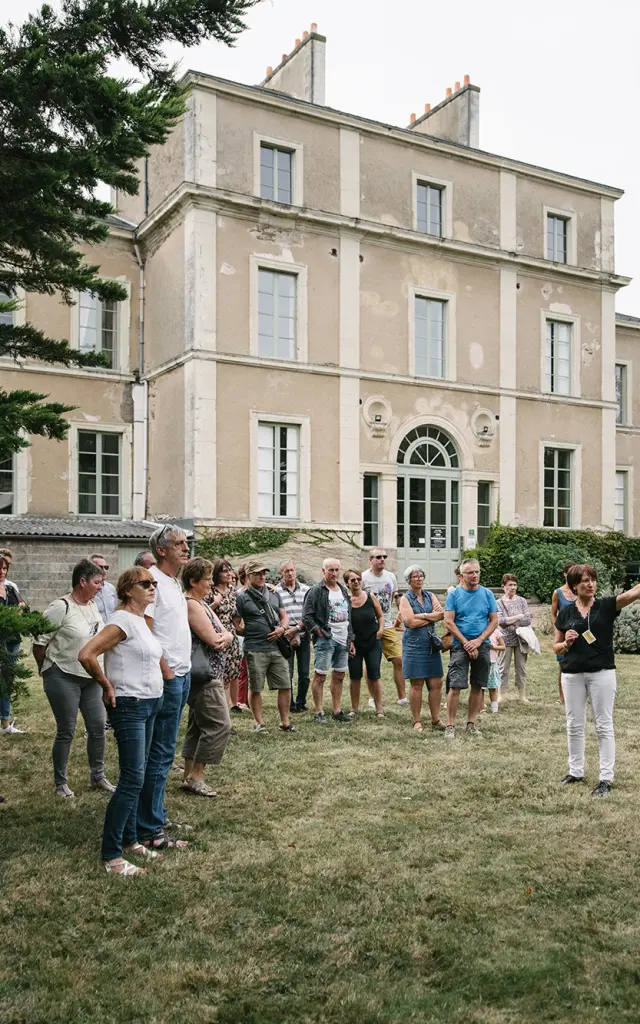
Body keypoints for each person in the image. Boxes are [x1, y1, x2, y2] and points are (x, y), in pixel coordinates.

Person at [78, 566, 164, 876]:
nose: (152, 587)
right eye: (145, 583)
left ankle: (130, 841)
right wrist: (106, 684)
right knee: (131, 780)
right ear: (128, 590)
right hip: (129, 705)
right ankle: (112, 855)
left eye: (154, 583)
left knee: (137, 777)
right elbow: (87, 654)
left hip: (150, 703)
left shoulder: (141, 620)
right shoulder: (122, 621)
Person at [553, 564, 640, 796]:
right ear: (574, 586)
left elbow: (633, 594)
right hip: (572, 674)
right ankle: (576, 771)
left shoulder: (606, 606)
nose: (590, 584)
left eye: (592, 580)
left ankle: (605, 778)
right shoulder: (566, 612)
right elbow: (556, 647)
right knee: (574, 724)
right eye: (584, 581)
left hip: (602, 673)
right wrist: (566, 644)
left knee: (603, 725)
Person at [32, 559, 114, 797]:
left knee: (98, 727)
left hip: (90, 678)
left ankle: (97, 776)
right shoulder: (60, 607)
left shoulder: (92, 605)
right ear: (82, 581)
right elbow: (39, 643)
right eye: (97, 582)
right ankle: (61, 784)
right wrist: (45, 669)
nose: (101, 587)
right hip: (62, 675)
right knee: (66, 729)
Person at [136, 524, 191, 850]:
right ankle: (150, 829)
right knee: (159, 754)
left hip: (180, 677)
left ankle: (154, 814)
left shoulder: (172, 582)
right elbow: (145, 630)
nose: (186, 548)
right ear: (161, 550)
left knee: (164, 754)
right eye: (179, 544)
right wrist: (167, 673)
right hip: (166, 679)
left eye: (186, 543)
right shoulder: (151, 582)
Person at [181, 558, 233, 795]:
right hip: (204, 674)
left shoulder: (201, 603)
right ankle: (196, 776)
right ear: (193, 581)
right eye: (207, 579)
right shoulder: (191, 604)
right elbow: (215, 639)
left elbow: (226, 632)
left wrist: (226, 637)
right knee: (220, 725)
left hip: (210, 672)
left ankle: (187, 774)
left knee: (197, 726)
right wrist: (225, 638)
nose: (211, 584)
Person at [233, 560, 292, 733]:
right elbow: (236, 624)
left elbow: (284, 616)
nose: (262, 576)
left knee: (285, 685)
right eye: (258, 573)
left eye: (264, 573)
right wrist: (249, 633)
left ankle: (285, 722)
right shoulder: (241, 596)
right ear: (249, 575)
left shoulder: (273, 593)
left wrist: (282, 629)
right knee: (256, 687)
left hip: (276, 648)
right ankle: (259, 723)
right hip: (255, 648)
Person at [443, 558, 498, 739]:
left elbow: (494, 621)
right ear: (462, 576)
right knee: (455, 685)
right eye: (470, 573)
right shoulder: (454, 595)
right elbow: (449, 622)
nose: (474, 575)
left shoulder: (487, 594)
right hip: (460, 646)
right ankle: (450, 726)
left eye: (477, 572)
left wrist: (479, 640)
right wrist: (467, 642)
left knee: (478, 685)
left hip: (482, 645)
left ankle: (471, 724)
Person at [303, 558, 355, 724]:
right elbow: (307, 617)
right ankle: (319, 711)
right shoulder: (316, 591)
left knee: (339, 674)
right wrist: (319, 632)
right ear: (323, 571)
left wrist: (350, 639)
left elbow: (349, 617)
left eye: (336, 570)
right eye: (330, 570)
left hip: (343, 638)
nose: (334, 573)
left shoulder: (343, 590)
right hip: (326, 638)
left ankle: (337, 710)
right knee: (320, 675)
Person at [398, 565, 445, 733]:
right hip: (413, 646)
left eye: (421, 576)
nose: (418, 579)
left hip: (431, 645)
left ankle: (436, 718)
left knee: (436, 682)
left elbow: (441, 614)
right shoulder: (405, 599)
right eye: (415, 576)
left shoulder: (430, 595)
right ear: (408, 580)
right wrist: (429, 616)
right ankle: (417, 720)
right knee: (416, 683)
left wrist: (421, 616)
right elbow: (409, 622)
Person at [361, 549, 408, 706]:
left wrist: (402, 612)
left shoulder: (391, 577)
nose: (382, 559)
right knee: (371, 663)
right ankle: (372, 697)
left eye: (384, 557)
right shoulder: (363, 577)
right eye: (378, 557)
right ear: (371, 560)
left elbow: (396, 596)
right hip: (369, 626)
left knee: (399, 660)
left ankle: (402, 697)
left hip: (387, 625)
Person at [344, 568, 385, 717]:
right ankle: (354, 708)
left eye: (358, 579)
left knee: (374, 675)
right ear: (347, 583)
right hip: (354, 644)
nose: (356, 582)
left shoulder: (370, 596)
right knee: (355, 676)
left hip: (373, 641)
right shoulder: (346, 601)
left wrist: (381, 630)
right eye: (352, 580)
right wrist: (350, 641)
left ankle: (379, 709)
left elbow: (380, 616)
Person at [276, 561, 311, 713]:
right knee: (286, 672)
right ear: (281, 574)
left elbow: (309, 613)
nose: (290, 574)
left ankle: (301, 702)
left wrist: (297, 628)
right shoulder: (275, 592)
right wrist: (285, 630)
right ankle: (289, 704)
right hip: (285, 637)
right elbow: (275, 614)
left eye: (292, 570)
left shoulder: (305, 590)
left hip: (302, 635)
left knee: (304, 673)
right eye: (286, 571)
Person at [209, 559, 242, 713]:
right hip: (215, 636)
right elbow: (198, 612)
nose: (229, 573)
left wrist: (270, 586)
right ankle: (220, 712)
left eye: (230, 569)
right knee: (219, 678)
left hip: (232, 637)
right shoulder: (210, 591)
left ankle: (227, 711)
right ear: (216, 574)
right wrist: (214, 604)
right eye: (224, 570)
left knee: (230, 677)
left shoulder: (233, 592)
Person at [0, 553, 25, 734]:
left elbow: (22, 604)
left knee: (7, 680)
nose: (2, 572)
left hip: (12, 640)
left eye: (4, 569)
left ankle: (5, 724)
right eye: (0, 568)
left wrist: (19, 612)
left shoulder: (10, 588)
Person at [497, 574, 533, 702]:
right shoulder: (499, 603)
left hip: (521, 639)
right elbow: (500, 621)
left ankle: (522, 695)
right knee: (503, 668)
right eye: (509, 585)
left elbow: (528, 619)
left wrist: (511, 621)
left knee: (521, 667)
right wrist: (518, 617)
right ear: (503, 587)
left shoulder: (522, 601)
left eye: (514, 585)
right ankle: (501, 695)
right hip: (505, 638)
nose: (512, 588)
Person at [551, 561, 576, 705]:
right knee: (563, 666)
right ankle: (562, 697)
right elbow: (553, 614)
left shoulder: (579, 590)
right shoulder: (558, 593)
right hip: (563, 632)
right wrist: (557, 630)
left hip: (579, 633)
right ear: (565, 574)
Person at [91, 553, 118, 622]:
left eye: (106, 567)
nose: (104, 570)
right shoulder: (87, 589)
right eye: (100, 567)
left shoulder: (111, 588)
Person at [486, 626, 505, 712]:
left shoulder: (496, 632)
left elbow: (503, 646)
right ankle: (481, 707)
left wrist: (494, 647)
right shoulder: (479, 631)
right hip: (482, 663)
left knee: (493, 687)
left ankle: (495, 708)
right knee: (480, 687)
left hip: (492, 662)